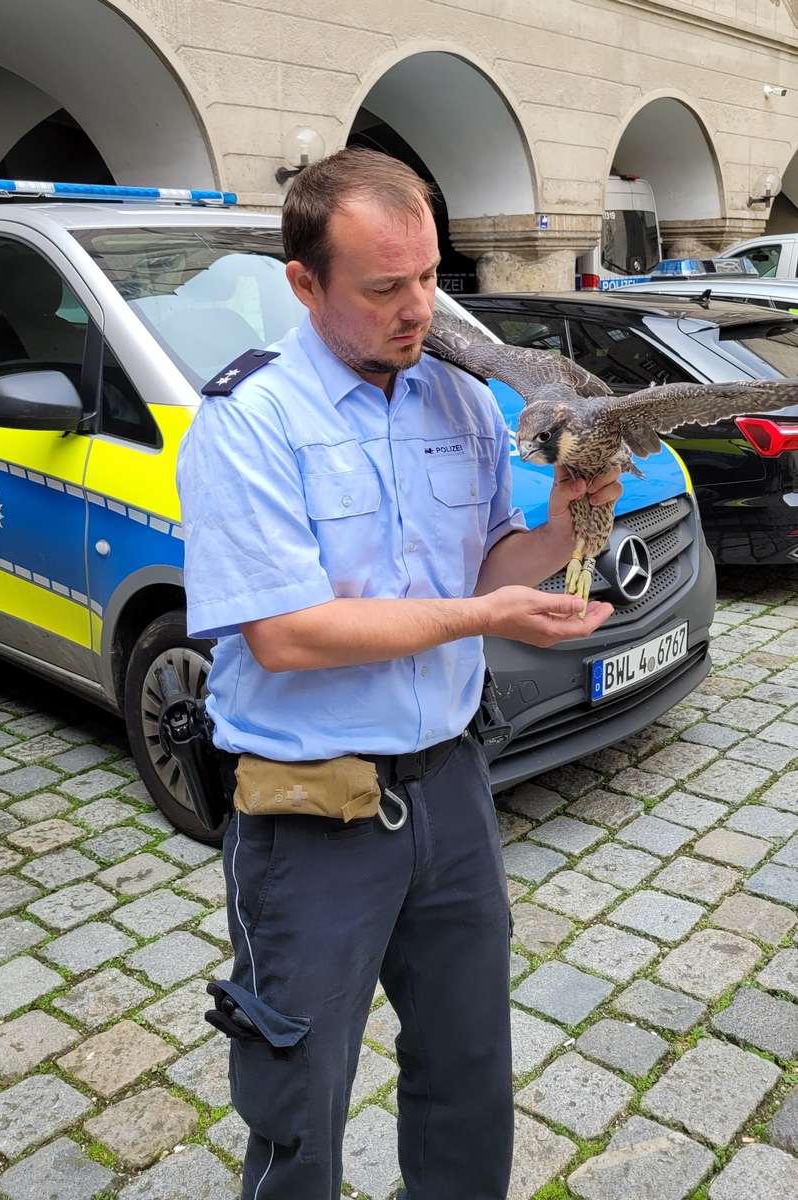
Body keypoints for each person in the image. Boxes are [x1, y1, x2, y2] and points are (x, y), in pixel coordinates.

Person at [177, 147, 621, 1200]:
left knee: (469, 1069)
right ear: (303, 282)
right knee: (297, 1095)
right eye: (383, 287)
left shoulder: (460, 402)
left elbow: (488, 563)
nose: (417, 308)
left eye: (428, 277)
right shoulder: (247, 421)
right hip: (307, 813)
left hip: (452, 790)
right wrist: (484, 614)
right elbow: (284, 634)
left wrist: (563, 525)